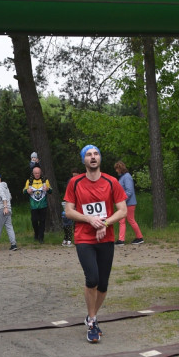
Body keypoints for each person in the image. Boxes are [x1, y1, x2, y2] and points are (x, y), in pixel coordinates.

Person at [64, 145, 127, 340]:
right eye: (89, 155)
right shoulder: (75, 183)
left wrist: (105, 223)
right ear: (84, 160)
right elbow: (68, 211)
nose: (93, 157)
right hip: (84, 237)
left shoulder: (111, 182)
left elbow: (122, 210)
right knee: (92, 278)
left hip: (105, 237)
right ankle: (92, 320)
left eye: (96, 154)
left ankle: (93, 314)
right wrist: (90, 220)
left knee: (103, 284)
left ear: (100, 159)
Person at [113, 160, 145, 246]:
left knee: (130, 220)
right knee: (122, 221)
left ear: (120, 168)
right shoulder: (123, 177)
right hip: (125, 203)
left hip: (128, 203)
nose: (116, 171)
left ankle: (139, 237)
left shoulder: (126, 177)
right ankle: (121, 239)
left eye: (117, 169)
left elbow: (129, 191)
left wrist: (122, 201)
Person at [23, 166, 51, 243]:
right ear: (33, 173)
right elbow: (24, 191)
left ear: (40, 173)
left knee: (42, 221)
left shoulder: (45, 180)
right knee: (34, 221)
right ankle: (36, 233)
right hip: (34, 205)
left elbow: (51, 190)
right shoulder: (29, 181)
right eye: (35, 173)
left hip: (43, 205)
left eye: (38, 173)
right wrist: (27, 191)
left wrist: (48, 189)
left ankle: (41, 238)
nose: (37, 174)